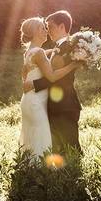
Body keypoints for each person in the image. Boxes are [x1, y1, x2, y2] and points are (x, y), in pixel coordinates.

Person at [18, 16, 81, 160]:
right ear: (34, 32)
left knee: (34, 138)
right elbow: (52, 77)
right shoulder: (39, 52)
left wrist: (31, 84)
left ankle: (31, 169)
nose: (46, 31)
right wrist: (72, 65)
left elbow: (25, 76)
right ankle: (40, 173)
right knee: (41, 138)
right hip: (37, 102)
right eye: (43, 28)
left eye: (47, 27)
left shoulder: (31, 51)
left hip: (31, 99)